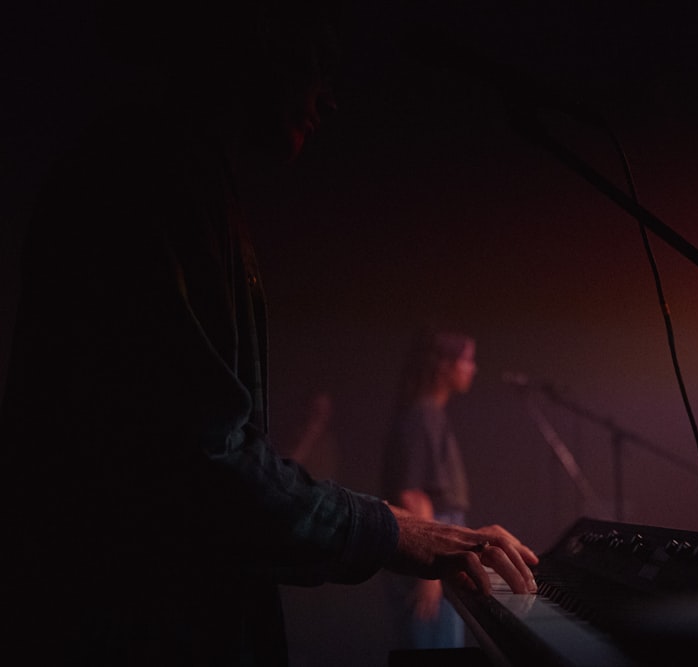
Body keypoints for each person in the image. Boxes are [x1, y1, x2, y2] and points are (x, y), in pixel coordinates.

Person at [0, 1, 537, 665]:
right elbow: (206, 463)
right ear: (252, 38)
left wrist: (395, 523)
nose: (329, 98)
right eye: (314, 64)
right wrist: (394, 531)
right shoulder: (150, 175)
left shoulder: (184, 177)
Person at [381, 327, 479, 650]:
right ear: (444, 365)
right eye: (467, 359)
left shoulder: (430, 415)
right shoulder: (422, 416)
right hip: (429, 548)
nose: (473, 368)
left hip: (437, 546)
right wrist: (430, 573)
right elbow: (412, 494)